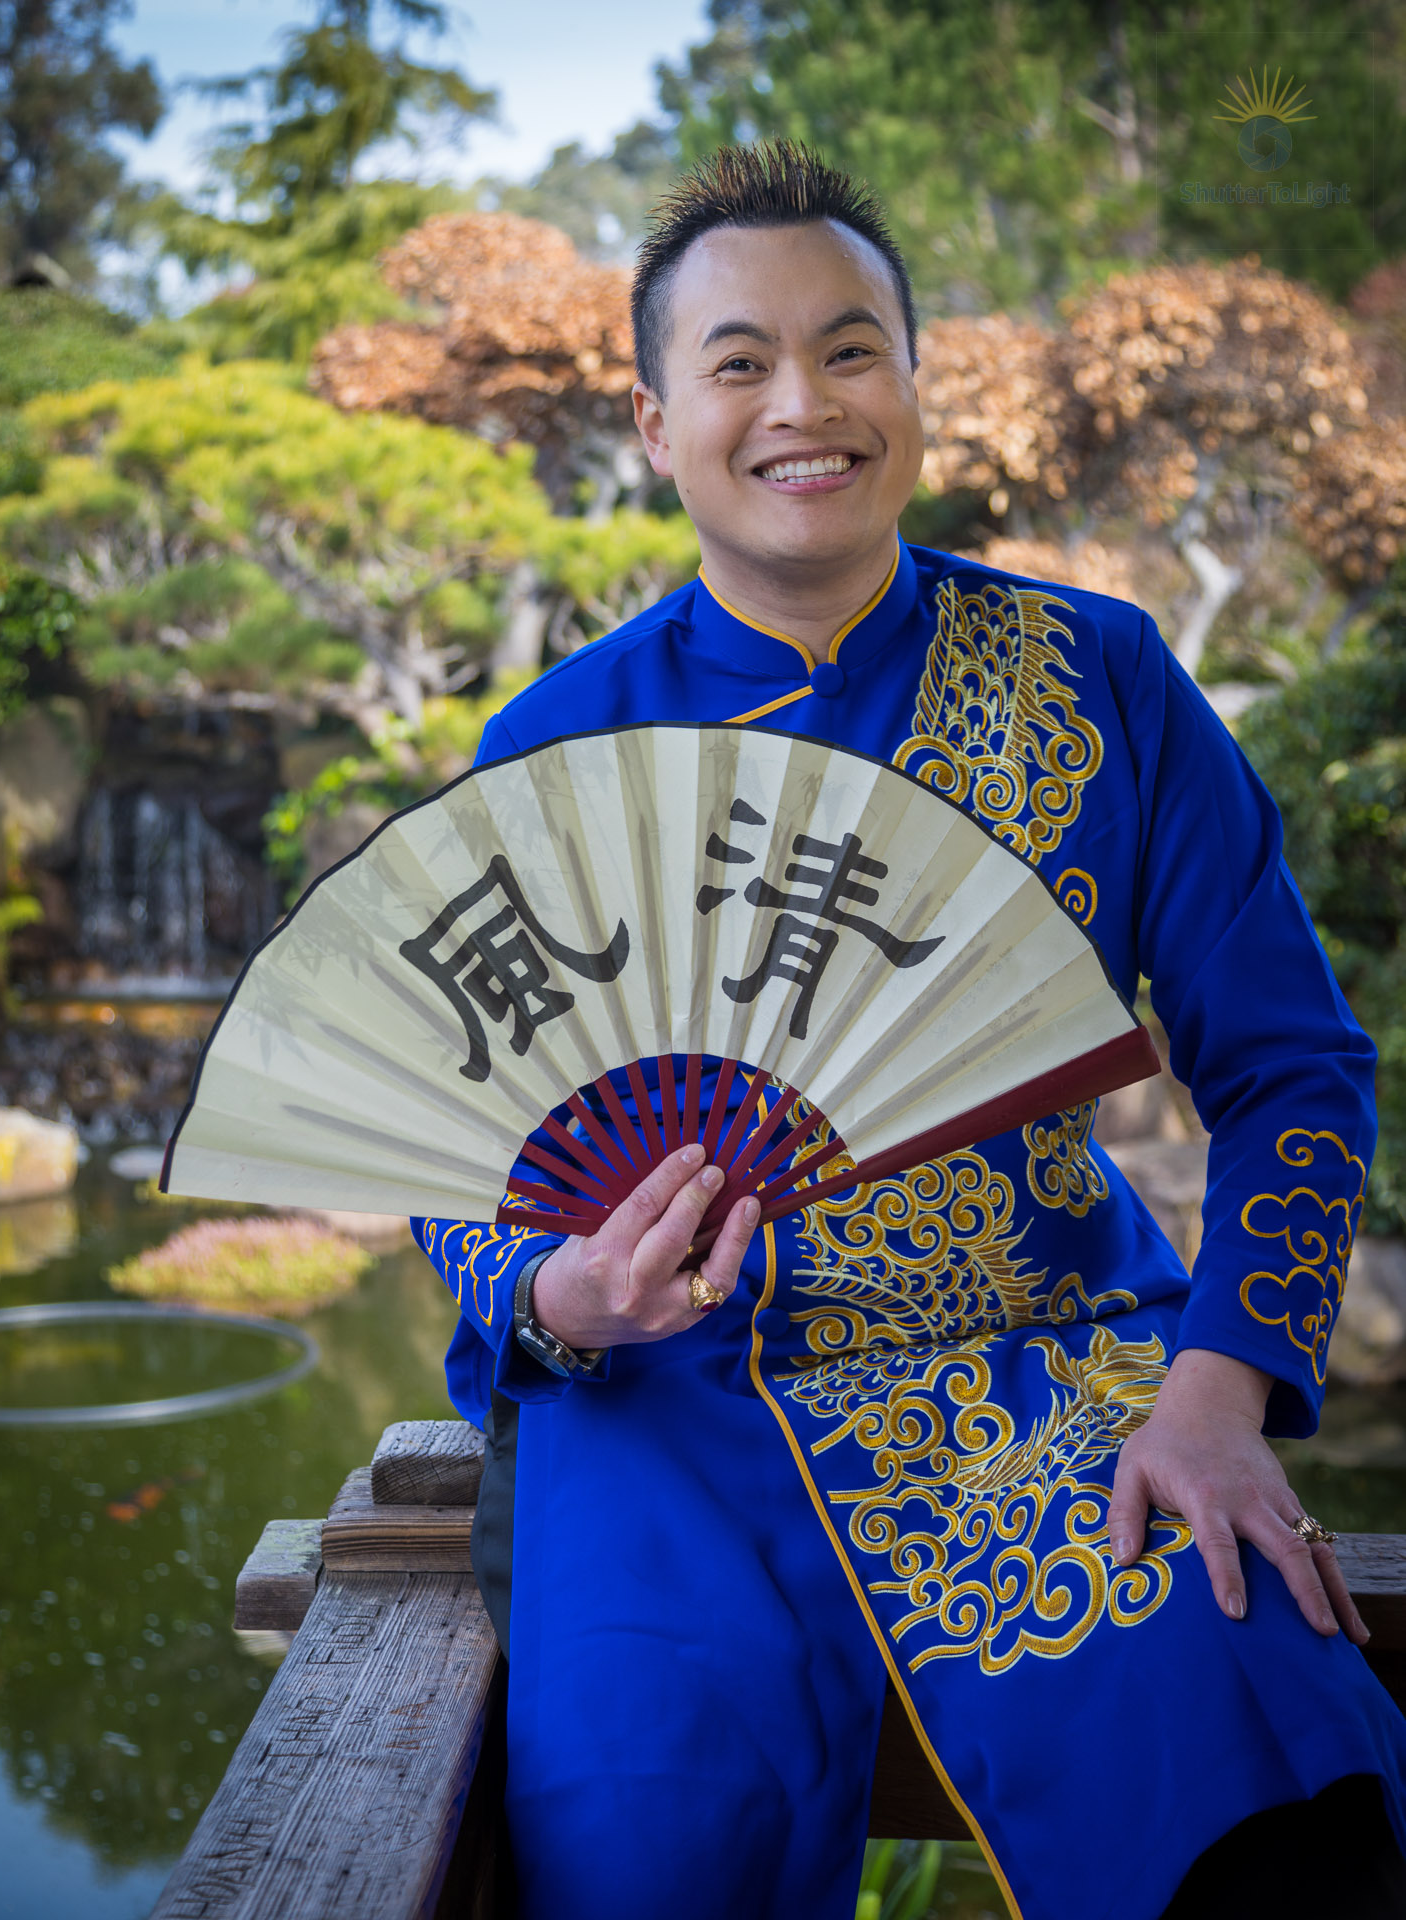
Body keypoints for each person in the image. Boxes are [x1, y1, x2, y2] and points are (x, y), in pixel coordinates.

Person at [414, 142, 1406, 1920]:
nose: (803, 403)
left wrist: (1219, 1386)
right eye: (739, 363)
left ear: (915, 389)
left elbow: (1295, 1065)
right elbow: (442, 1154)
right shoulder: (550, 753)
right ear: (656, 424)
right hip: (662, 1423)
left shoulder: (1100, 681)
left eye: (851, 347)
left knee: (1272, 1779)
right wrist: (560, 1299)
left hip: (1043, 1374)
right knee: (633, 1846)